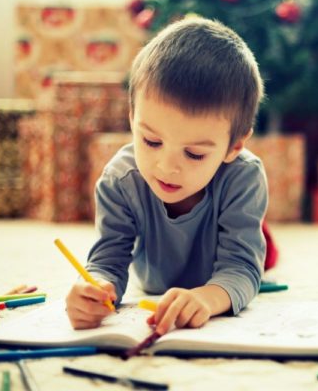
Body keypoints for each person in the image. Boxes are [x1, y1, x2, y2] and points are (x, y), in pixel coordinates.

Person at [65, 17, 267, 335]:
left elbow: (241, 269)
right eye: (151, 141)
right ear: (133, 118)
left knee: (256, 252)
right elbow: (108, 260)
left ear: (234, 146)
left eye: (194, 154)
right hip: (156, 281)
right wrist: (93, 289)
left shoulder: (244, 177)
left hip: (221, 263)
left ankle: (263, 239)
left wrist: (208, 298)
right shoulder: (120, 181)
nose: (167, 167)